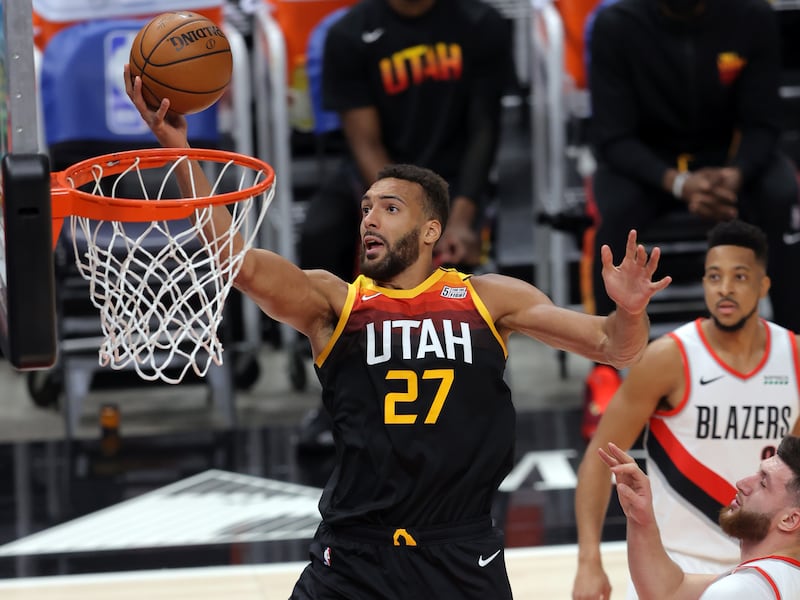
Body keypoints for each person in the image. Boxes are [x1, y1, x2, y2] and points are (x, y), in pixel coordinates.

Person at [124, 64, 671, 598]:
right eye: (366, 208)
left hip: (460, 554)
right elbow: (236, 262)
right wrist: (179, 148)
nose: (369, 219)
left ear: (432, 228)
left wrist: (628, 309)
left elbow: (615, 348)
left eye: (389, 208)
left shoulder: (488, 298)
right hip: (354, 557)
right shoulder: (335, 301)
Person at [296, 0, 515, 451]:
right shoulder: (351, 34)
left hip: (457, 183)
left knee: (458, 261)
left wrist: (461, 219)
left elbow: (484, 129)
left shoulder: (482, 23)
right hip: (376, 175)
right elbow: (365, 140)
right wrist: (394, 215)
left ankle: (467, 395)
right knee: (321, 232)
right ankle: (337, 393)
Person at [582, 0, 800, 435]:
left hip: (726, 161)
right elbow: (612, 136)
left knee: (779, 193)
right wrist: (679, 184)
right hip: (646, 163)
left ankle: (793, 354)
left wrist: (734, 176)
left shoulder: (751, 16)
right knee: (615, 214)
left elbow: (764, 121)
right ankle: (603, 371)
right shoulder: (613, 24)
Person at [572, 219, 800, 600]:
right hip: (670, 568)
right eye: (714, 276)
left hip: (761, 566)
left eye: (740, 277)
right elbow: (599, 462)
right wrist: (588, 561)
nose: (724, 288)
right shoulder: (669, 358)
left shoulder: (794, 357)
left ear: (763, 285)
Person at [599, 438, 800, 599]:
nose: (742, 483)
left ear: (790, 519)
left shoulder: (740, 590)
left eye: (763, 483)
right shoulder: (780, 578)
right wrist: (641, 519)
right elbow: (669, 592)